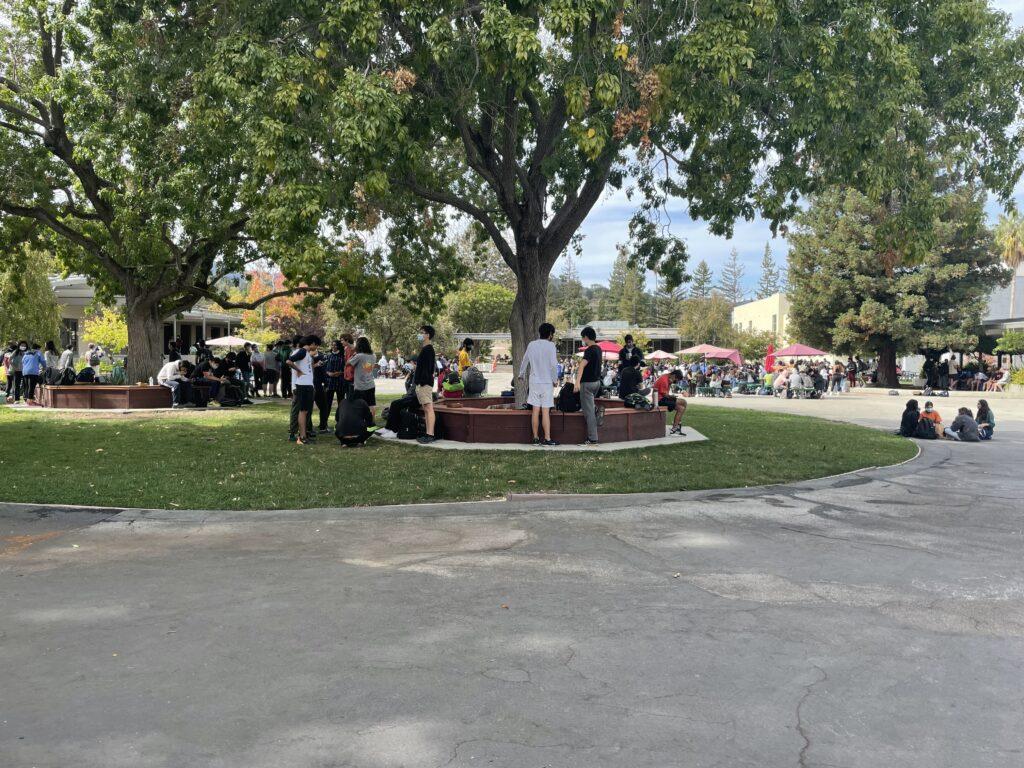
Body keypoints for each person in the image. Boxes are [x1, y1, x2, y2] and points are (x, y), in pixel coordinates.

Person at [518, 322, 560, 446]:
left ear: (540, 332)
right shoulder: (551, 346)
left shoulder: (532, 345)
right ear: (551, 334)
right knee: (545, 411)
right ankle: (547, 438)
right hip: (546, 382)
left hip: (534, 381)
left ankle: (535, 438)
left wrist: (521, 374)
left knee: (535, 410)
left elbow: (525, 360)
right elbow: (553, 365)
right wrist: (555, 379)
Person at [286, 335, 319, 445]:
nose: (316, 347)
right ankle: (302, 437)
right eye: (316, 345)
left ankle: (304, 435)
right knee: (302, 411)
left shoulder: (306, 354)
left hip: (308, 385)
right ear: (312, 343)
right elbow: (288, 361)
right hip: (302, 385)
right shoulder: (302, 352)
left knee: (305, 411)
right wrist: (298, 370)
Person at [575, 326, 603, 446]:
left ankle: (592, 439)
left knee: (588, 413)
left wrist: (577, 383)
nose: (582, 339)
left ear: (586, 337)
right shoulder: (599, 349)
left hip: (587, 384)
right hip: (597, 383)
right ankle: (596, 409)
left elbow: (581, 366)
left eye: (582, 337)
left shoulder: (589, 350)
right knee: (590, 407)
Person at [414, 325, 438, 443]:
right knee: (426, 408)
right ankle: (428, 433)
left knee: (428, 408)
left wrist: (422, 381)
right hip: (422, 383)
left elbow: (428, 368)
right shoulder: (425, 348)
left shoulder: (428, 349)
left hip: (425, 383)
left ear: (428, 335)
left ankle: (430, 434)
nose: (420, 334)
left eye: (422, 332)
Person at [346, 336, 378, 417]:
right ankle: (371, 422)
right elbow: (367, 368)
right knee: (371, 404)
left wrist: (353, 355)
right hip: (370, 384)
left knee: (358, 405)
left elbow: (347, 363)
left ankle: (359, 421)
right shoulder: (373, 355)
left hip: (360, 386)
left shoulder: (359, 356)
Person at [653, 369, 688, 435]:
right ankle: (676, 426)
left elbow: (666, 393)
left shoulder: (667, 377)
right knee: (683, 404)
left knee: (682, 406)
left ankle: (676, 425)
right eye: (676, 379)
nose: (676, 381)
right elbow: (665, 395)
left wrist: (671, 382)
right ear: (674, 375)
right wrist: (673, 397)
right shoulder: (664, 380)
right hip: (660, 400)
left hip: (662, 398)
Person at [323, 339, 346, 428]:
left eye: (335, 345)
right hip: (330, 382)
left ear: (339, 346)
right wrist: (328, 373)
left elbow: (346, 368)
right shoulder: (328, 356)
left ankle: (340, 422)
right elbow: (324, 367)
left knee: (341, 403)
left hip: (340, 382)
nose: (333, 346)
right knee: (327, 403)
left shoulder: (343, 356)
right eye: (332, 345)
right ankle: (324, 423)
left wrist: (339, 373)